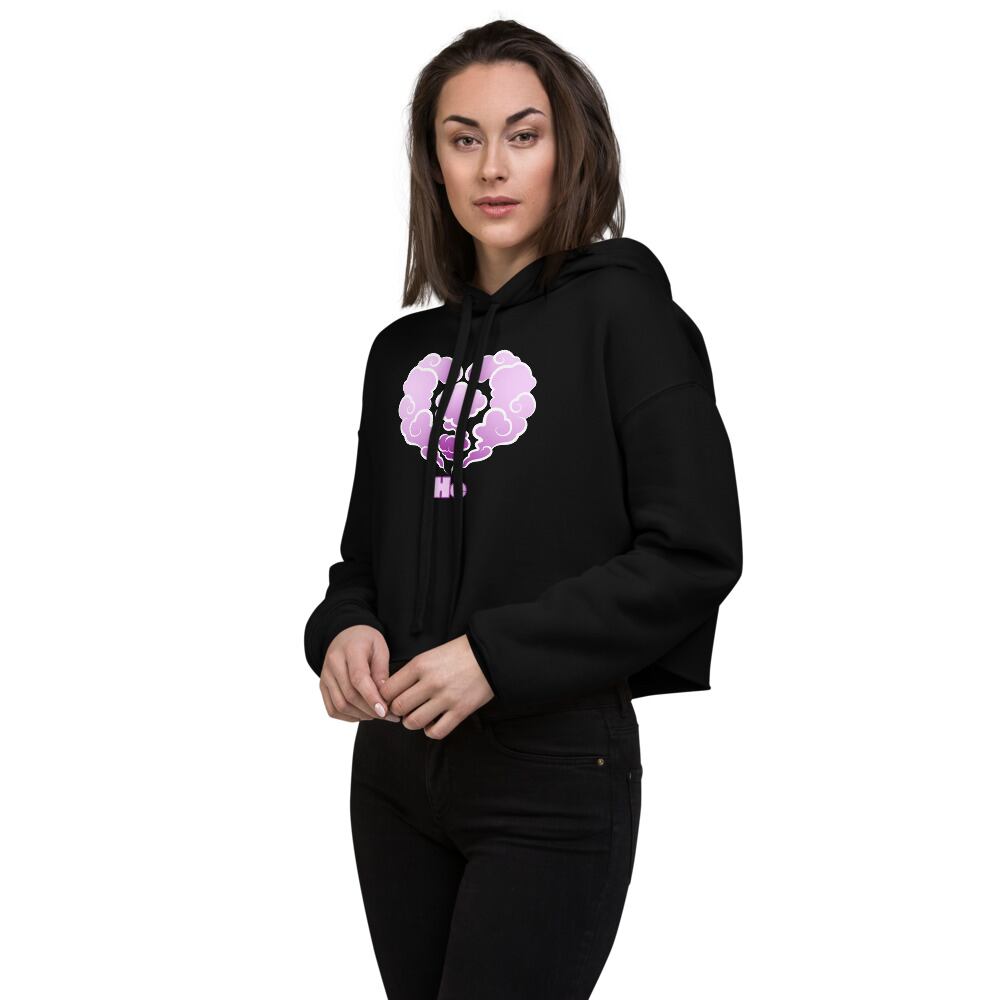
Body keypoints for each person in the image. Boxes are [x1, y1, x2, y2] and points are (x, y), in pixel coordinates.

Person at [303, 19, 743, 1000]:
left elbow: (693, 551)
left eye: (523, 135)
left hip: (551, 770)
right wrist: (342, 631)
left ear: (570, 149)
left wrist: (494, 657)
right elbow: (361, 562)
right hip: (394, 772)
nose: (492, 168)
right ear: (434, 162)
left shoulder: (629, 319)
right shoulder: (400, 354)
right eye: (463, 138)